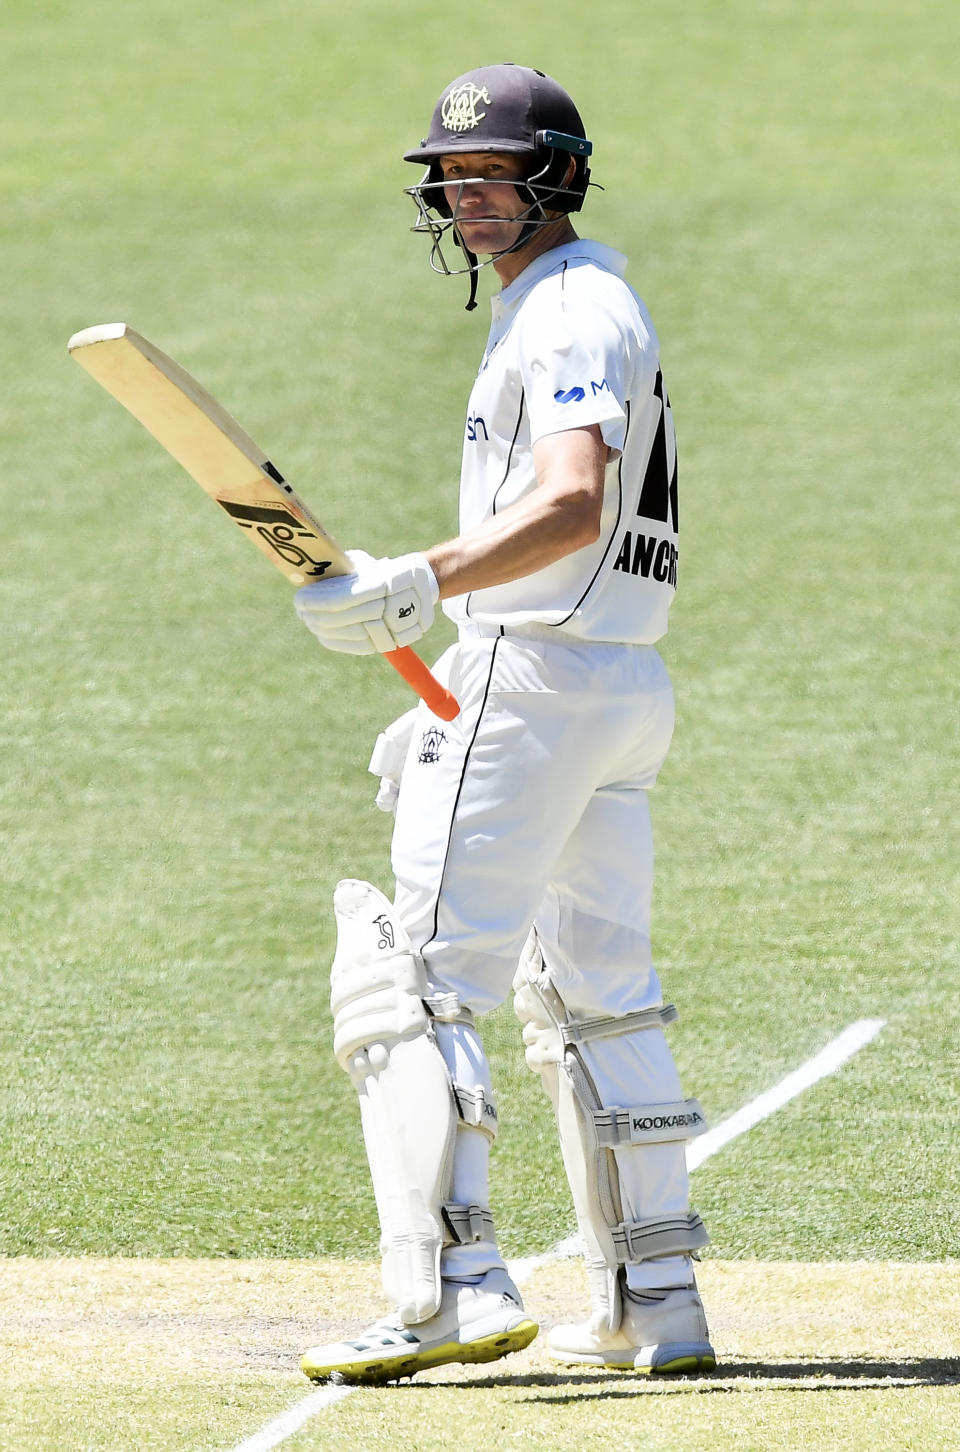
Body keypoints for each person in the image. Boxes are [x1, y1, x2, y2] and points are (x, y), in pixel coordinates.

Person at [294, 62, 715, 1386]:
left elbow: (571, 504)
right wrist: (436, 611)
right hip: (615, 689)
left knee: (410, 983)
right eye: (455, 177)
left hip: (533, 675)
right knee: (601, 999)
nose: (471, 196)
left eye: (495, 173)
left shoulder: (569, 312)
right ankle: (660, 1301)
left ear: (561, 176)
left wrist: (418, 581)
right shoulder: (578, 303)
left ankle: (450, 1290)